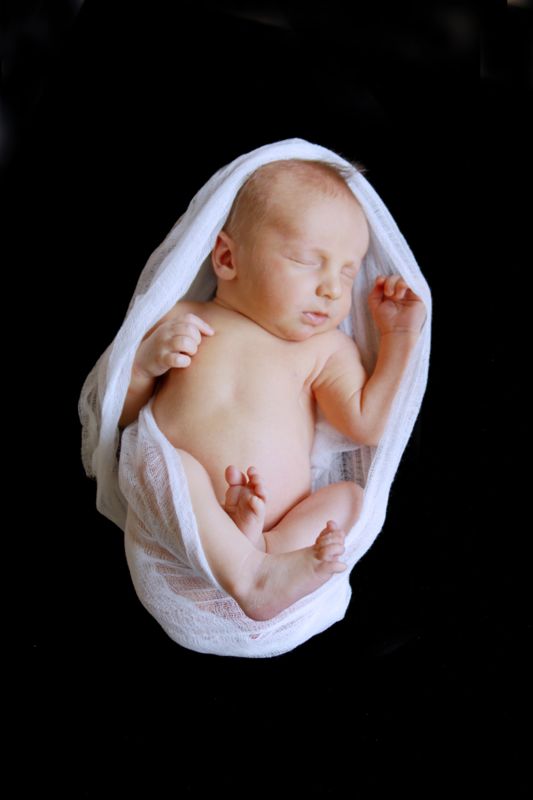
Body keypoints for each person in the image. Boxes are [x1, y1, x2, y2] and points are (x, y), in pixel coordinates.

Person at [118, 158, 427, 621]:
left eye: (347, 273)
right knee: (157, 457)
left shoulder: (327, 350)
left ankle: (263, 558)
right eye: (307, 260)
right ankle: (246, 571)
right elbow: (119, 417)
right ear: (226, 258)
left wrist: (399, 340)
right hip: (187, 522)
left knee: (350, 499)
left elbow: (368, 427)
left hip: (280, 537)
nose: (330, 289)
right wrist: (144, 364)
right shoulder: (180, 317)